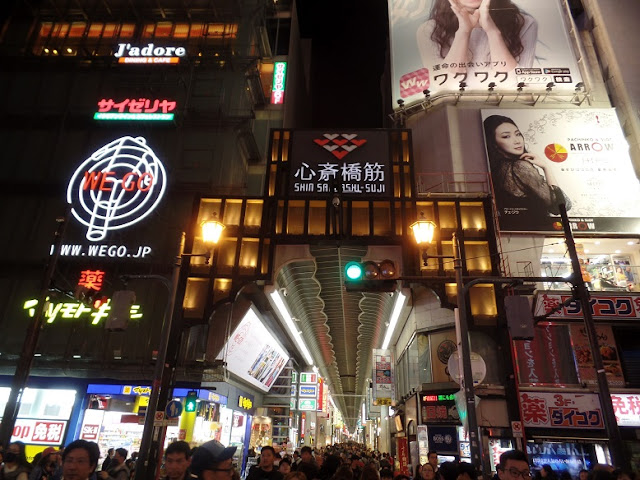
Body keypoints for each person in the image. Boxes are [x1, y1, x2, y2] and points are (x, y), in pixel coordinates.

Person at [483, 114, 571, 230]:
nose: (517, 141)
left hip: (512, 228)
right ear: (494, 143)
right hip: (536, 229)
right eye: (506, 136)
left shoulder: (497, 169)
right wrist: (546, 167)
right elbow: (561, 206)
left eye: (518, 134)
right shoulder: (520, 167)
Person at [417, 0, 537, 74]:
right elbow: (445, 85)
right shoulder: (429, 30)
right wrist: (464, 32)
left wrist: (493, 32)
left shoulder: (523, 23)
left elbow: (518, 83)